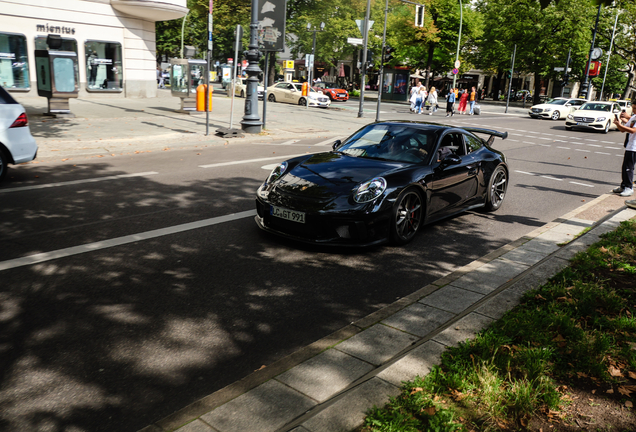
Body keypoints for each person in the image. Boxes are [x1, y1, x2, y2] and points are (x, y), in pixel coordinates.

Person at [612, 108, 636, 197]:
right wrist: (618, 124)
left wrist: (620, 125)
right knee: (625, 167)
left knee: (629, 168)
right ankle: (624, 186)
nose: (633, 110)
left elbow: (633, 130)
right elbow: (623, 130)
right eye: (633, 108)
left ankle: (629, 188)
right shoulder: (634, 117)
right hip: (630, 146)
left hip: (635, 147)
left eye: (635, 108)